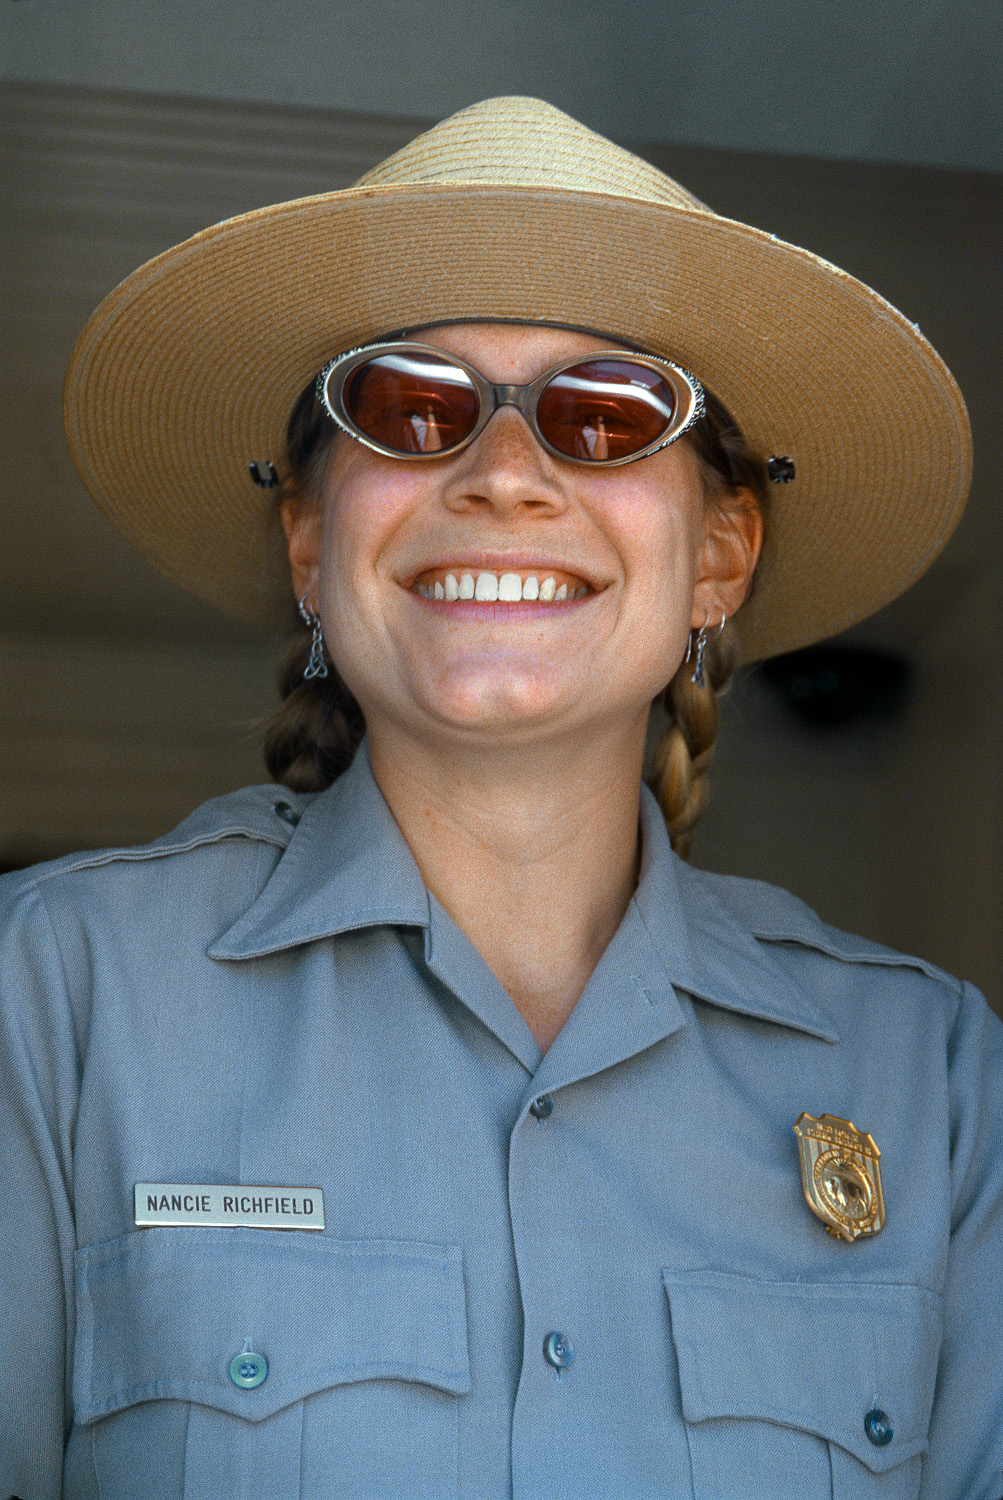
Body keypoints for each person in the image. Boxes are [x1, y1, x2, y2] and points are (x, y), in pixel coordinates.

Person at [1, 95, 1000, 1500]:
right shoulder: (52, 996)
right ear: (310, 542)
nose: (506, 476)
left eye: (607, 416)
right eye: (413, 409)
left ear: (720, 559)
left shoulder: (933, 1077)